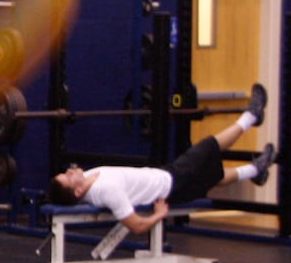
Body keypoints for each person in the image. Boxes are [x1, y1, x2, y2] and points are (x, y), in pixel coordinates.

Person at [46, 83, 274, 229]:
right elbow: (135, 225)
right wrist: (159, 215)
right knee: (209, 146)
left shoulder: (87, 178)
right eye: (67, 176)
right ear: (77, 191)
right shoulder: (106, 192)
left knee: (213, 176)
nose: (69, 170)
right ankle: (251, 116)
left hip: (166, 175)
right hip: (172, 186)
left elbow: (67, 192)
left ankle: (255, 170)